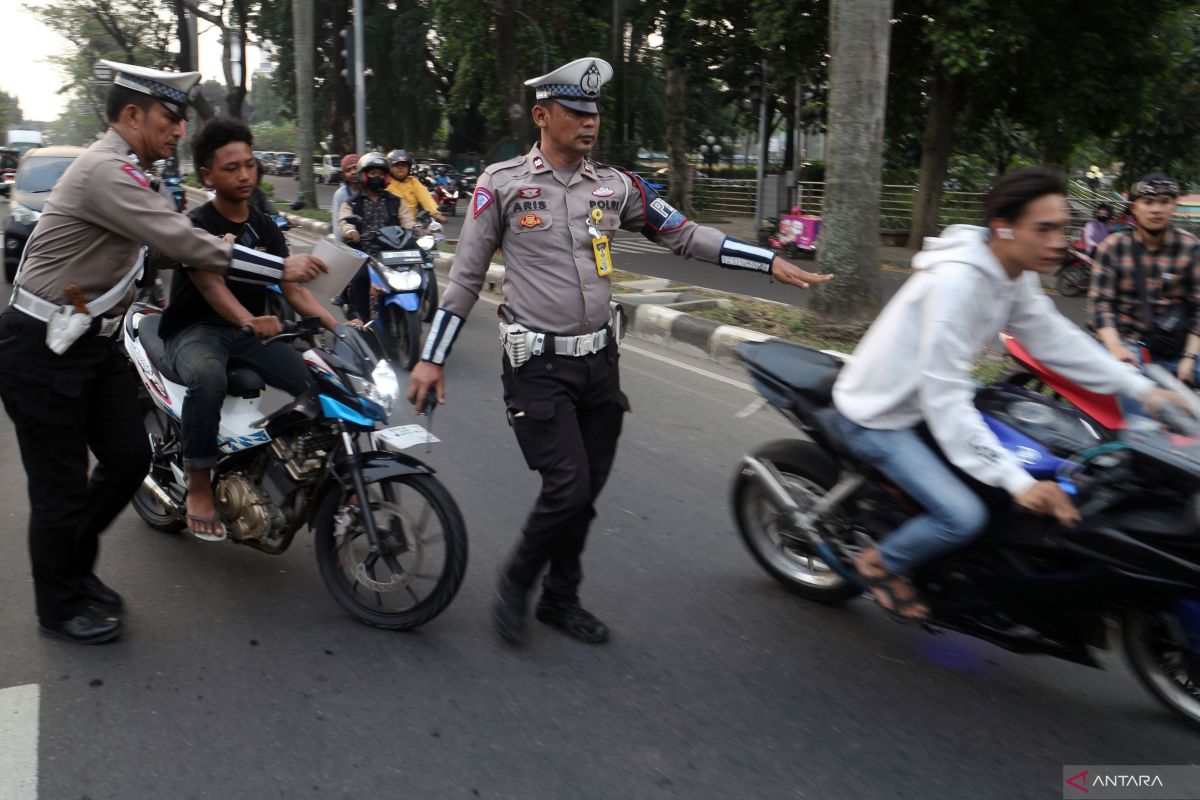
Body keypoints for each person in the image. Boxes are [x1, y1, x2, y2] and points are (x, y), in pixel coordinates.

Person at [406, 57, 828, 645]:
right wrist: (432, 356)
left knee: (586, 494)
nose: (590, 121)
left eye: (595, 111)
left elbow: (683, 233)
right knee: (567, 488)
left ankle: (561, 597)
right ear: (543, 115)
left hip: (600, 363)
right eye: (577, 111)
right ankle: (517, 580)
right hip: (537, 367)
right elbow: (465, 280)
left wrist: (767, 261)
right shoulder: (500, 185)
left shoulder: (616, 186)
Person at [0, 60, 325, 644]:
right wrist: (277, 264)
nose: (179, 129)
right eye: (170, 117)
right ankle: (58, 605)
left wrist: (212, 250)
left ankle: (74, 568)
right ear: (132, 115)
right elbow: (177, 238)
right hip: (41, 349)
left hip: (92, 346)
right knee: (61, 490)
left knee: (128, 460)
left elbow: (153, 254)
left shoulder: (130, 174)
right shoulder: (106, 171)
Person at [832, 167, 1179, 620]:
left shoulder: (1012, 271)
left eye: (1064, 228)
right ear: (1004, 228)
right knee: (962, 516)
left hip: (929, 402)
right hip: (881, 415)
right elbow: (945, 399)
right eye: (1046, 229)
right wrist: (1019, 483)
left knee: (1055, 455)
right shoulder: (957, 285)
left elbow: (1053, 337)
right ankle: (880, 563)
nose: (1060, 241)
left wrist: (1142, 389)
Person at [159, 117, 342, 541]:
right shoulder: (195, 225)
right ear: (207, 175)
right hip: (195, 329)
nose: (244, 174)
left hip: (250, 333)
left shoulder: (264, 225)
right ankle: (199, 483)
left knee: (320, 381)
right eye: (230, 168)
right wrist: (246, 318)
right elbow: (210, 284)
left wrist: (342, 326)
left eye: (249, 164)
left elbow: (293, 291)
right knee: (207, 376)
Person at [1088, 173, 1200, 387]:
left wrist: (1189, 356)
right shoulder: (1113, 247)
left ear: (1174, 206)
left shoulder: (1191, 247)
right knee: (1139, 404)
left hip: (1176, 346)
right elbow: (1100, 305)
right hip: (1127, 342)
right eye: (1148, 202)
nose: (1156, 209)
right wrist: (1115, 348)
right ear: (1135, 207)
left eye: (1165, 202)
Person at [337, 151, 416, 321]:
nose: (377, 177)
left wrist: (416, 231)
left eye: (381, 174)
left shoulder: (396, 200)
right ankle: (362, 318)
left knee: (414, 274)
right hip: (364, 252)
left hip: (392, 251)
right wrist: (351, 231)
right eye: (373, 173)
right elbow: (344, 221)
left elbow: (408, 221)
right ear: (364, 176)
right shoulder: (352, 202)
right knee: (360, 277)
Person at [385, 149, 445, 223]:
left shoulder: (413, 182)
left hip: (411, 227)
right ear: (390, 168)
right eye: (396, 165)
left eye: (403, 165)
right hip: (388, 226)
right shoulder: (385, 182)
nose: (400, 168)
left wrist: (435, 213)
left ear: (409, 168)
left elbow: (425, 197)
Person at [331, 153, 360, 244]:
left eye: (356, 168)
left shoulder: (370, 190)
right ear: (344, 175)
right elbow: (337, 223)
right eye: (348, 170)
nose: (353, 172)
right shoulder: (340, 194)